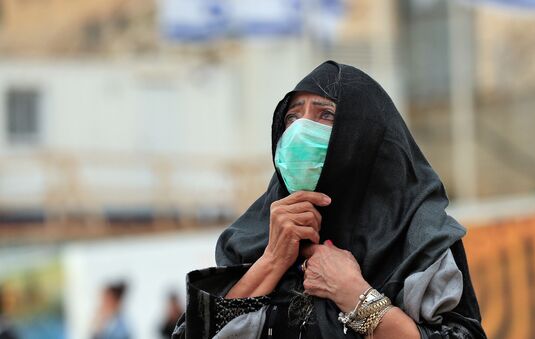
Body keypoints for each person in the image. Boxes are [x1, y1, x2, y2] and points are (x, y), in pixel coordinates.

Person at [172, 61, 486, 338]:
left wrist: (355, 295)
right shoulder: (253, 240)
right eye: (292, 117)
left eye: (325, 114)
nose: (300, 130)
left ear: (365, 134)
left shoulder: (420, 243)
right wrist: (273, 260)